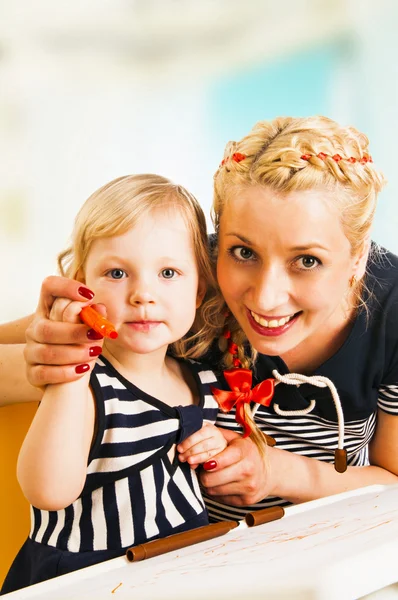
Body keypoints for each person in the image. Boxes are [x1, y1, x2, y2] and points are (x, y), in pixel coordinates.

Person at [2, 115, 398, 525]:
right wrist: (50, 354)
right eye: (243, 252)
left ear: (358, 257)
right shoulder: (172, 281)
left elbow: (393, 484)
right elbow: (29, 351)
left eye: (307, 261)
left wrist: (278, 472)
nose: (266, 297)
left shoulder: (393, 311)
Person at [1, 174, 228, 594]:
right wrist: (72, 370)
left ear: (200, 290)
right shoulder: (87, 385)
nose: (143, 293)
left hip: (180, 574)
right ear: (81, 286)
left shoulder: (203, 380)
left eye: (169, 272)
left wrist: (216, 446)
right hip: (86, 582)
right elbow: (48, 490)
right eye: (118, 272)